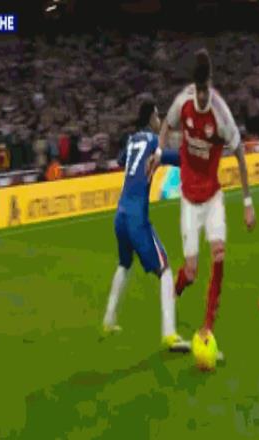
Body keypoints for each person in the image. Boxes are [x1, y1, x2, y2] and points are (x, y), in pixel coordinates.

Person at [147, 49, 256, 348]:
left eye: (206, 88)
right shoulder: (183, 101)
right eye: (199, 89)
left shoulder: (221, 114)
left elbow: (240, 154)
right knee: (191, 271)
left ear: (211, 82)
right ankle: (175, 293)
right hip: (189, 199)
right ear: (194, 86)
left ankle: (208, 327)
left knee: (219, 254)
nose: (203, 95)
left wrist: (248, 203)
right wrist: (159, 152)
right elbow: (166, 125)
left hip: (213, 197)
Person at [102, 97, 190, 352]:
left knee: (124, 264)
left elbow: (121, 161)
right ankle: (170, 334)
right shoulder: (153, 140)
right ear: (152, 117)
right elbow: (175, 158)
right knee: (165, 270)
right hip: (136, 217)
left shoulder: (132, 140)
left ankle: (108, 320)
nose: (160, 120)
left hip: (120, 214)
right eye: (158, 115)